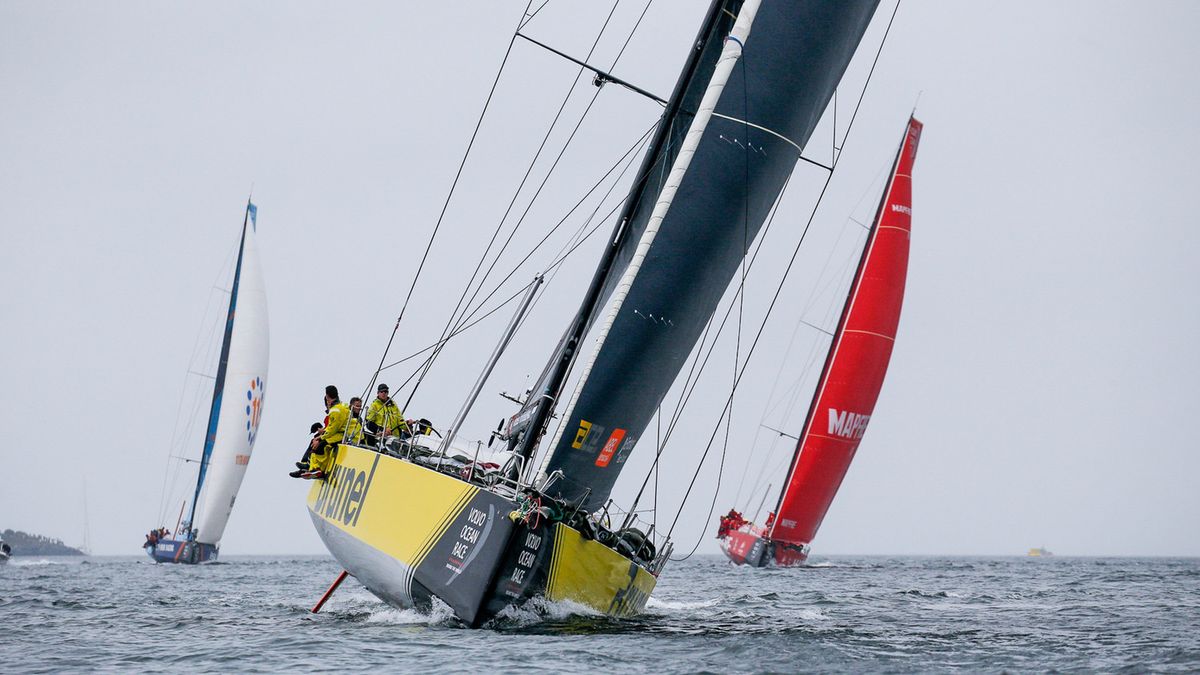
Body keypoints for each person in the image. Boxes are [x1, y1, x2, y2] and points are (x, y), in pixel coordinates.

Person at [298, 385, 349, 480]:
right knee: (316, 443)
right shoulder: (339, 407)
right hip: (338, 433)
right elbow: (332, 428)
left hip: (341, 435)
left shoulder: (335, 410)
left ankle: (319, 470)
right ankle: (312, 468)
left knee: (320, 445)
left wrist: (320, 438)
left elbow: (333, 429)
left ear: (327, 396)